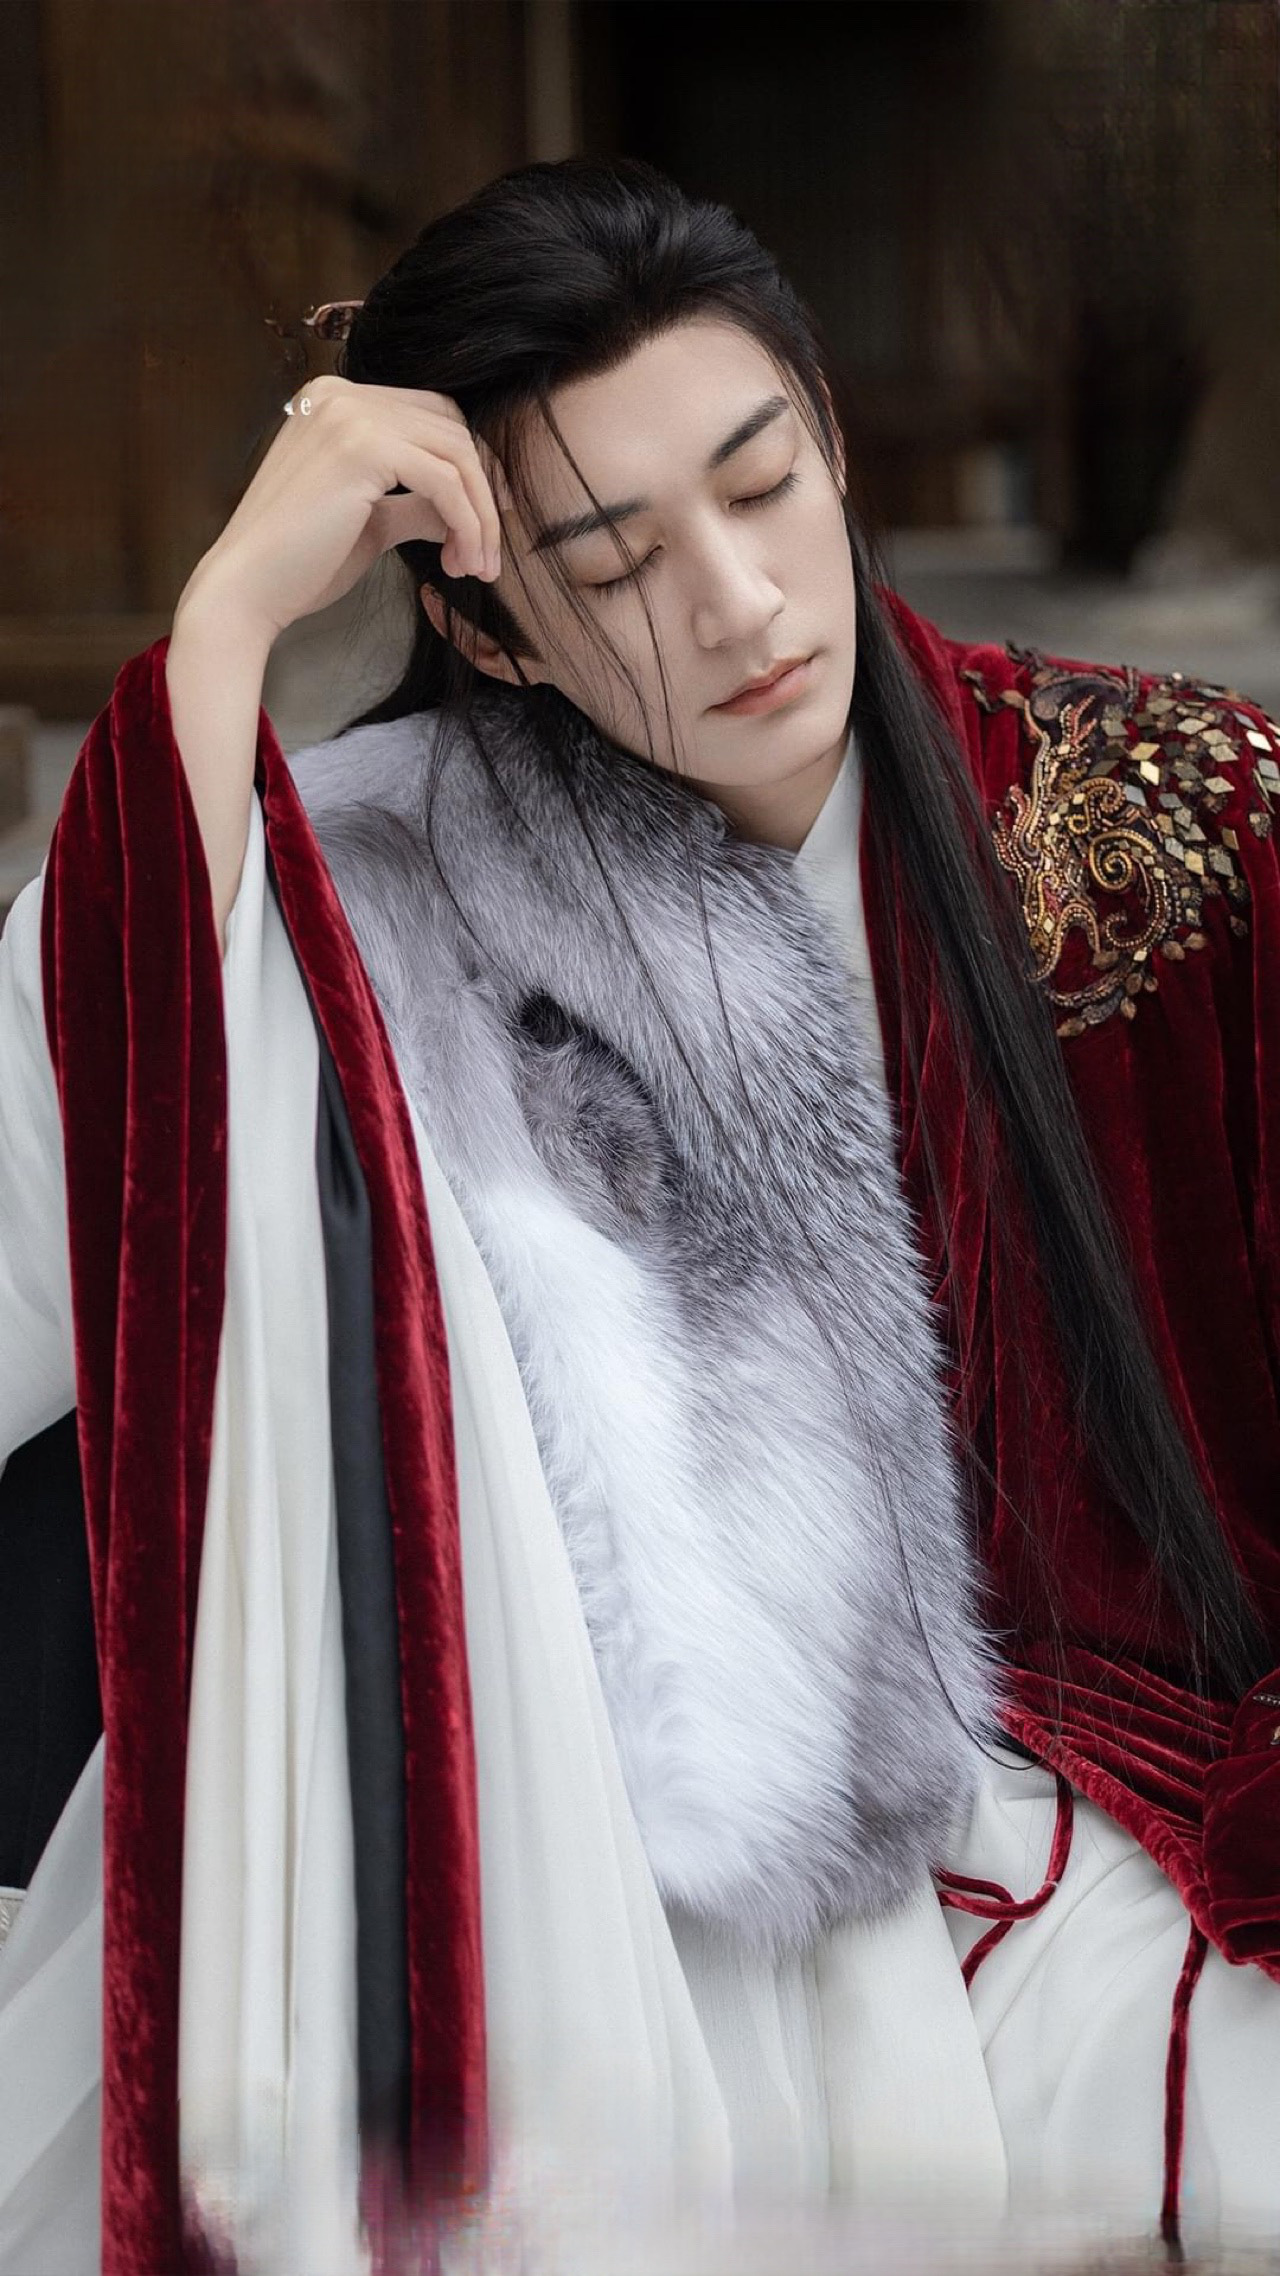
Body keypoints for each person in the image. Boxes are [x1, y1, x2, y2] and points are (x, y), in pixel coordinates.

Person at [1, 153, 1279, 2276]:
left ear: (829, 434)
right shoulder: (365, 903)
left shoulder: (1183, 815)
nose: (744, 605)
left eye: (762, 485)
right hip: (643, 1881)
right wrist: (223, 624)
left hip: (1133, 1801)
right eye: (611, 564)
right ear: (477, 621)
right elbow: (84, 1179)